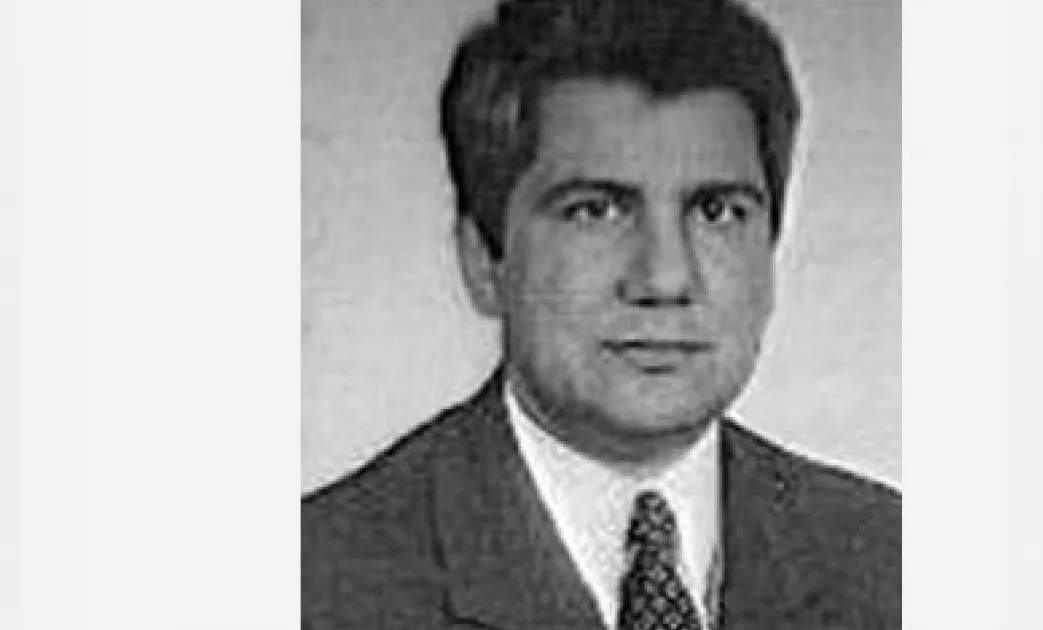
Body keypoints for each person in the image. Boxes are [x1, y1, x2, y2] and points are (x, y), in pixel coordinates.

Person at [301, 0, 901, 628]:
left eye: (717, 212)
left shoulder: (890, 559)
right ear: (483, 259)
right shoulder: (318, 584)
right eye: (595, 211)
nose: (665, 279)